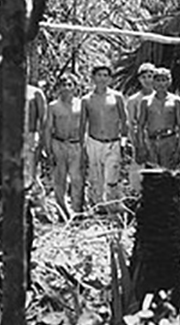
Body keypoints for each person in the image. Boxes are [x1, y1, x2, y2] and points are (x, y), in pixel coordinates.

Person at [79, 63, 127, 211]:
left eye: (106, 75)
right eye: (99, 75)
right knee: (95, 177)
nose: (102, 78)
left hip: (113, 142)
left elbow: (124, 120)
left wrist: (124, 142)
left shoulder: (117, 97)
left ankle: (113, 207)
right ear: (93, 78)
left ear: (110, 78)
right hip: (93, 142)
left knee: (111, 177)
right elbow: (82, 124)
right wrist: (82, 147)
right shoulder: (87, 99)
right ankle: (98, 208)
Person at [43, 74, 85, 217]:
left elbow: (85, 126)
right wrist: (48, 150)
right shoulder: (53, 106)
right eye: (63, 85)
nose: (66, 88)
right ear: (59, 87)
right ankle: (62, 211)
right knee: (59, 178)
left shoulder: (81, 104)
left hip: (76, 144)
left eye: (70, 85)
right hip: (58, 144)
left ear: (75, 87)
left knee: (77, 179)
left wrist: (85, 148)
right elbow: (48, 128)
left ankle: (77, 210)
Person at [138, 68, 180, 170]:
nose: (161, 84)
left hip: (169, 141)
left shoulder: (176, 101)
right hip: (151, 141)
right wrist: (142, 146)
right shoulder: (146, 101)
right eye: (158, 80)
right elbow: (140, 126)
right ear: (153, 82)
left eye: (164, 80)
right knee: (152, 177)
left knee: (168, 175)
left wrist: (178, 150)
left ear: (169, 82)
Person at [126, 62, 156, 193]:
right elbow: (131, 123)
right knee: (138, 172)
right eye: (144, 77)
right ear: (139, 79)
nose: (147, 80)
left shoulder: (162, 97)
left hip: (158, 139)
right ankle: (136, 196)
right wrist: (136, 144)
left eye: (150, 76)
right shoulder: (134, 100)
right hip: (141, 139)